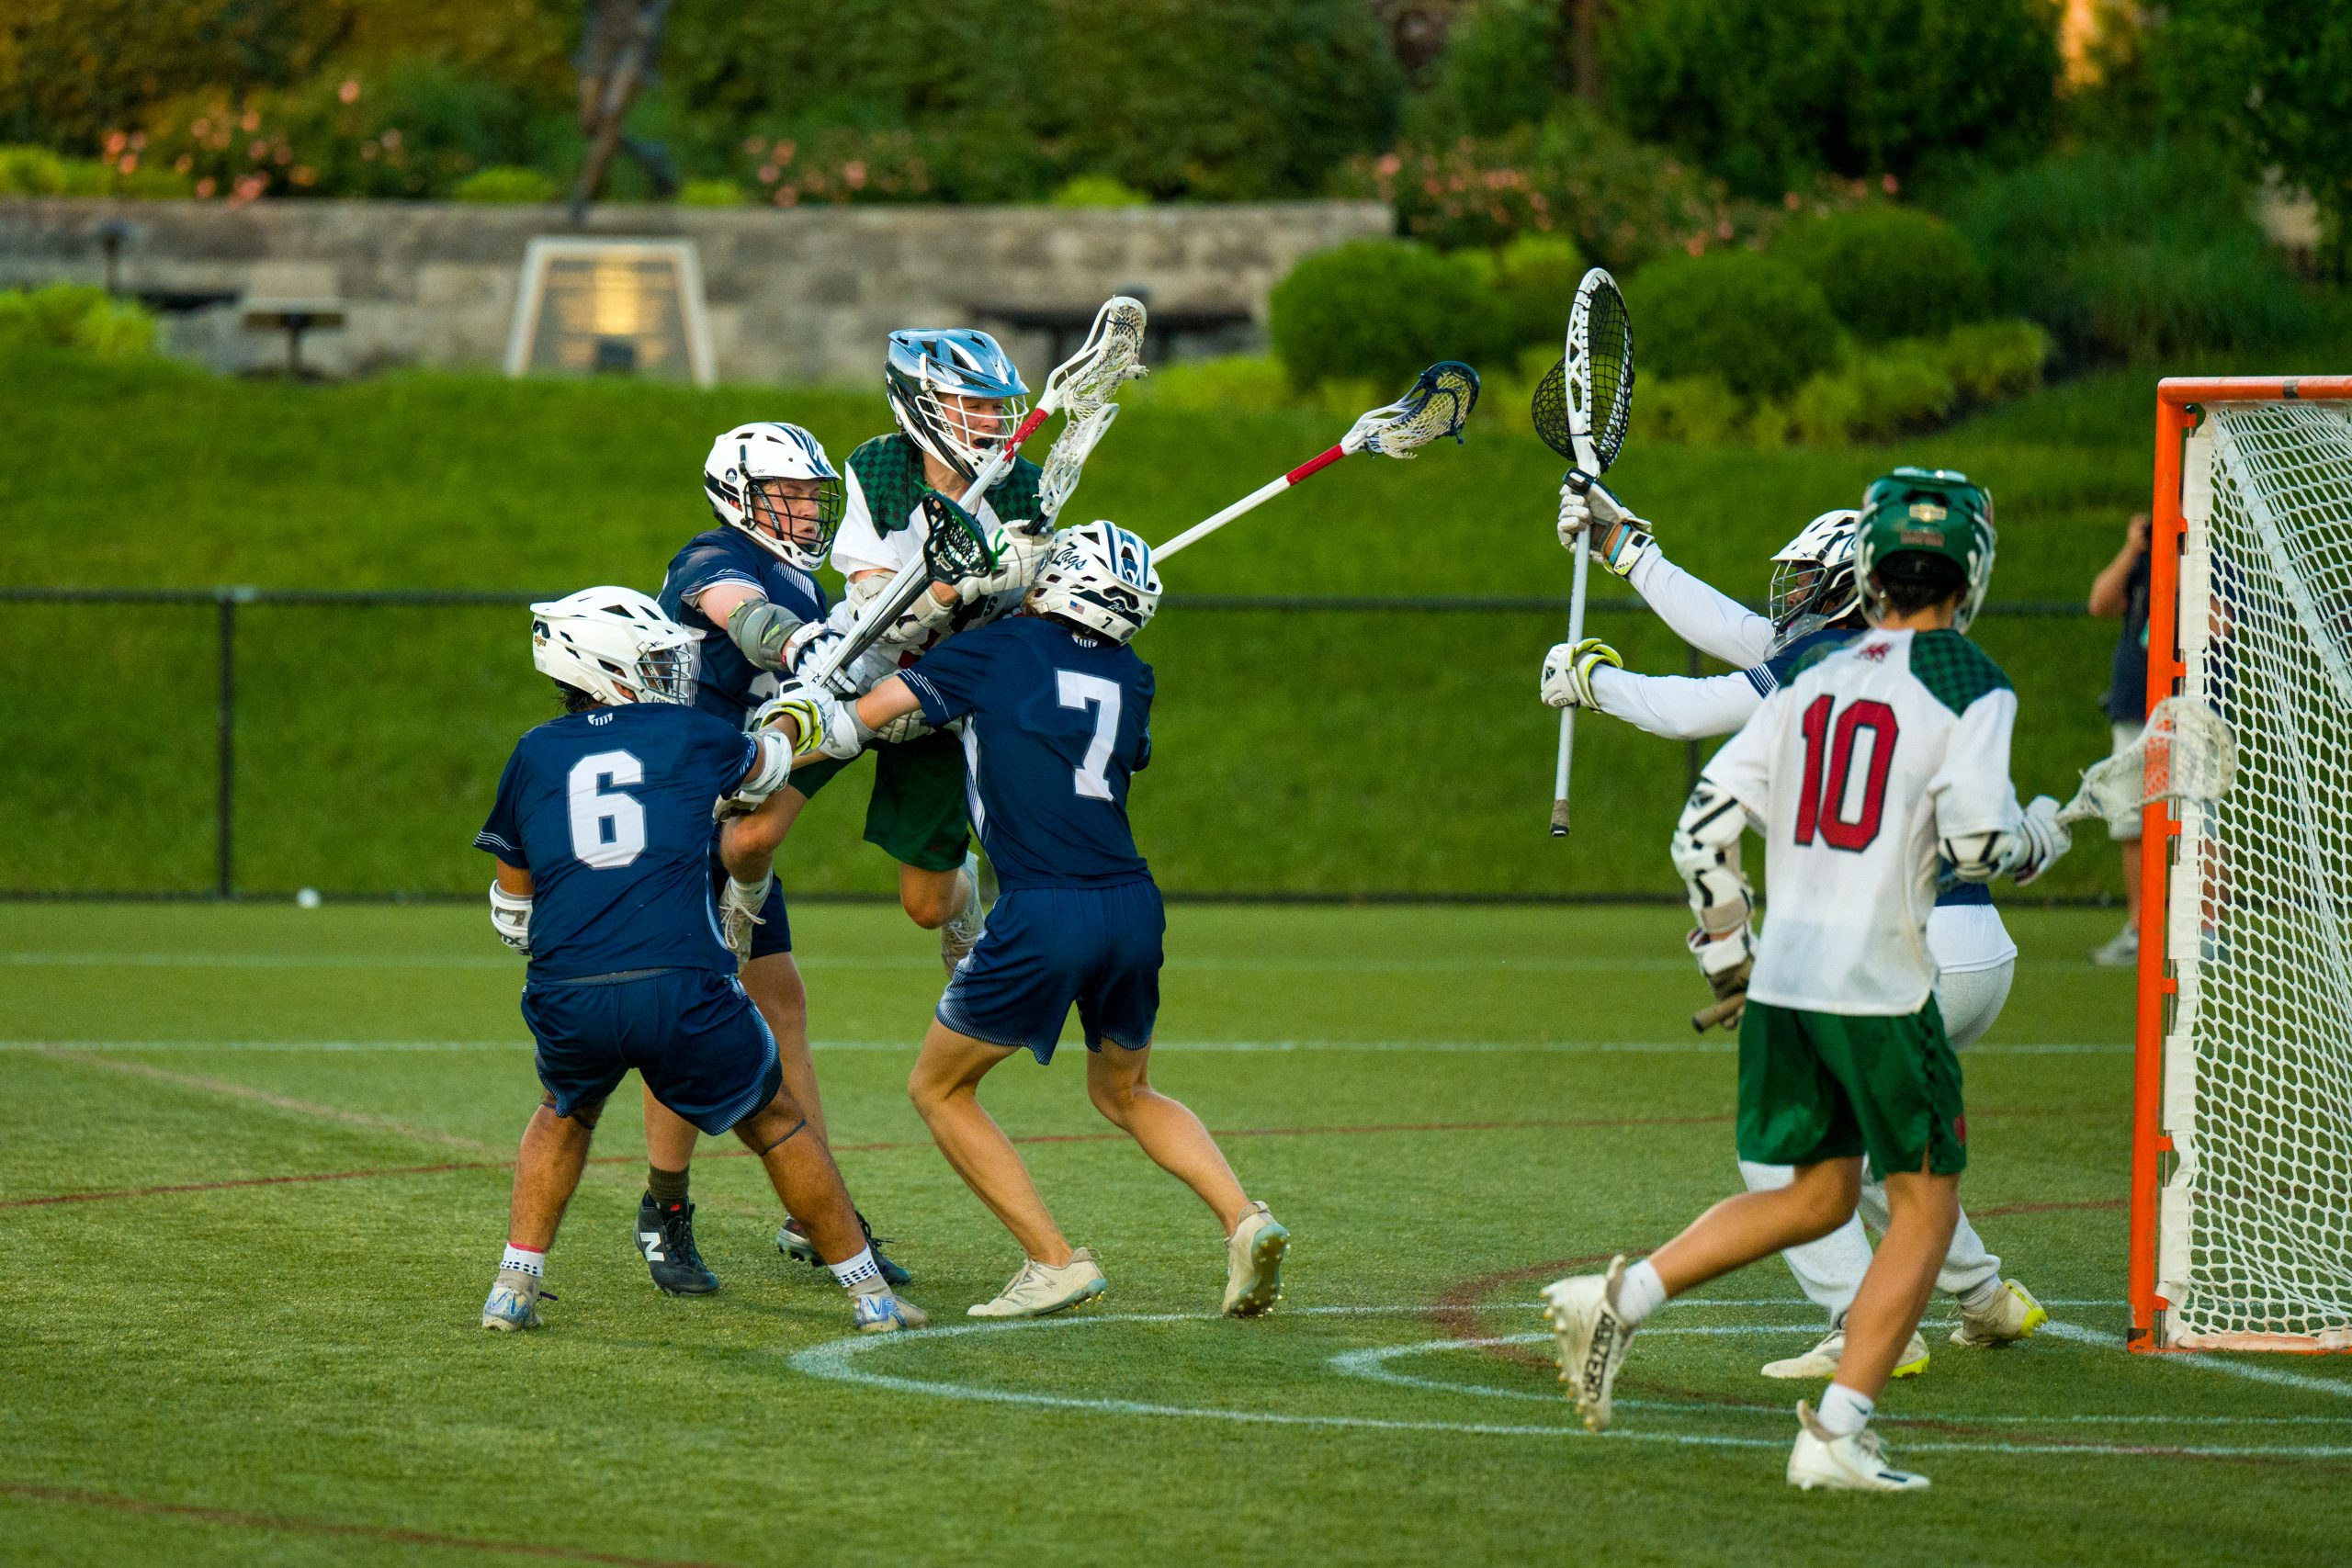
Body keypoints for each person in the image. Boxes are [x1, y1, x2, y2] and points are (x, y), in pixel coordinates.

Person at [1541, 468, 2071, 1492]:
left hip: (1790, 974)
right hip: (1891, 970)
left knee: (1816, 1190)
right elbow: (1971, 841)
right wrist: (2032, 838)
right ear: (1974, 572)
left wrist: (1730, 960)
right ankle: (1835, 1435)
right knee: (1914, 1202)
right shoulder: (1968, 680)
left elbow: (1700, 832)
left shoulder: (1814, 678)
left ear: (1862, 573)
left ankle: (1617, 1299)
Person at [770, 521, 1290, 1320]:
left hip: (1046, 905)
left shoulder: (997, 650)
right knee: (1129, 1090)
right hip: (1131, 902)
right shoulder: (1132, 673)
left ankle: (1054, 1260)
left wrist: (765, 759)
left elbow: (859, 719)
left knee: (939, 1088)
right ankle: (1243, 1217)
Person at [474, 585, 925, 1337]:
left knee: (564, 1111)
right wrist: (800, 704)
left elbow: (514, 904)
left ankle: (512, 1285)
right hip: (680, 980)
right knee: (777, 1120)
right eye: (650, 659)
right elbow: (771, 762)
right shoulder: (684, 733)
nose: (667, 670)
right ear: (605, 668)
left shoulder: (532, 753)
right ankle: (868, 1293)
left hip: (568, 987)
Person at [627, 422, 910, 1295]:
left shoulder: (810, 584)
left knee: (781, 1000)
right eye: (786, 492)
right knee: (686, 1016)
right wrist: (798, 643)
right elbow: (734, 611)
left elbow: (848, 662)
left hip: (736, 817)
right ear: (739, 493)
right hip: (680, 814)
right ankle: (664, 1207)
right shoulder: (711, 555)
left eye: (809, 495)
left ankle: (814, 1212)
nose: (804, 508)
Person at [2087, 512, 2153, 966]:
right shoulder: (2142, 561)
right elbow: (2100, 603)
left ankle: (2209, 933)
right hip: (2133, 705)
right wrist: (2133, 548)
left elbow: (2223, 625)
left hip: (2193, 710)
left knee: (2200, 822)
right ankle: (2138, 927)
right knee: (2131, 821)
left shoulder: (2213, 559)